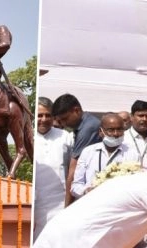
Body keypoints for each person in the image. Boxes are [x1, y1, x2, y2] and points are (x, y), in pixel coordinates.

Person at [71, 113, 139, 199]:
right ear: (101, 132)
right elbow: (76, 185)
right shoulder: (88, 152)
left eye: (119, 129)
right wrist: (86, 191)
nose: (116, 134)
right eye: (111, 130)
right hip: (92, 202)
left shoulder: (132, 153)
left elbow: (137, 185)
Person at [51, 93, 102, 206]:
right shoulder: (85, 124)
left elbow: (73, 170)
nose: (63, 124)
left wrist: (67, 207)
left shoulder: (87, 129)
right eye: (60, 121)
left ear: (77, 110)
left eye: (65, 119)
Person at [34, 97, 73, 239]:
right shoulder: (27, 136)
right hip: (36, 201)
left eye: (48, 115)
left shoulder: (66, 137)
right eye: (39, 115)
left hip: (61, 200)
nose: (44, 119)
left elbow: (72, 169)